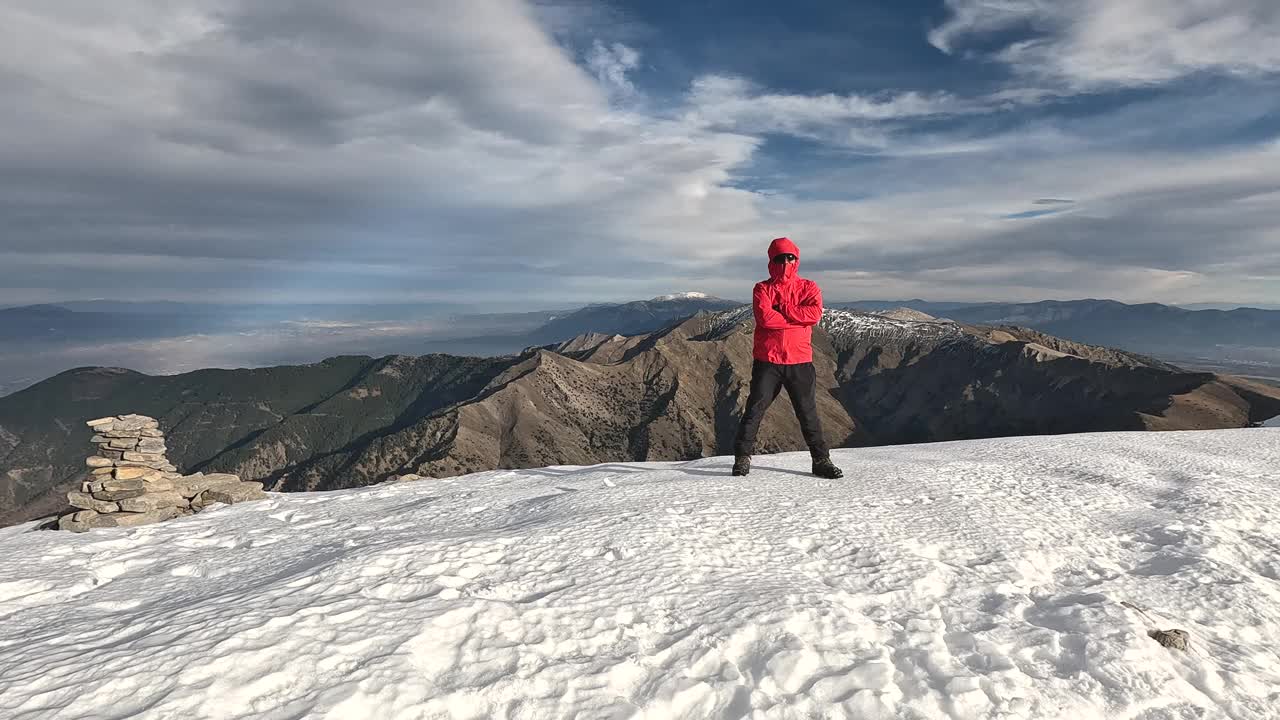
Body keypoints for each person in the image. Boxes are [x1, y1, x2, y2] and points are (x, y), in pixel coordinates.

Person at [732, 237, 844, 479]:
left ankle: (821, 460)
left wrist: (783, 309)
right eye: (780, 258)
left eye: (790, 257)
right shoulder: (762, 288)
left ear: (797, 259)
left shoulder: (809, 287)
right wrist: (796, 316)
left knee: (807, 412)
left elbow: (814, 314)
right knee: (754, 410)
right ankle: (742, 459)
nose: (786, 262)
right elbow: (765, 319)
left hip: (799, 360)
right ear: (771, 261)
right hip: (768, 360)